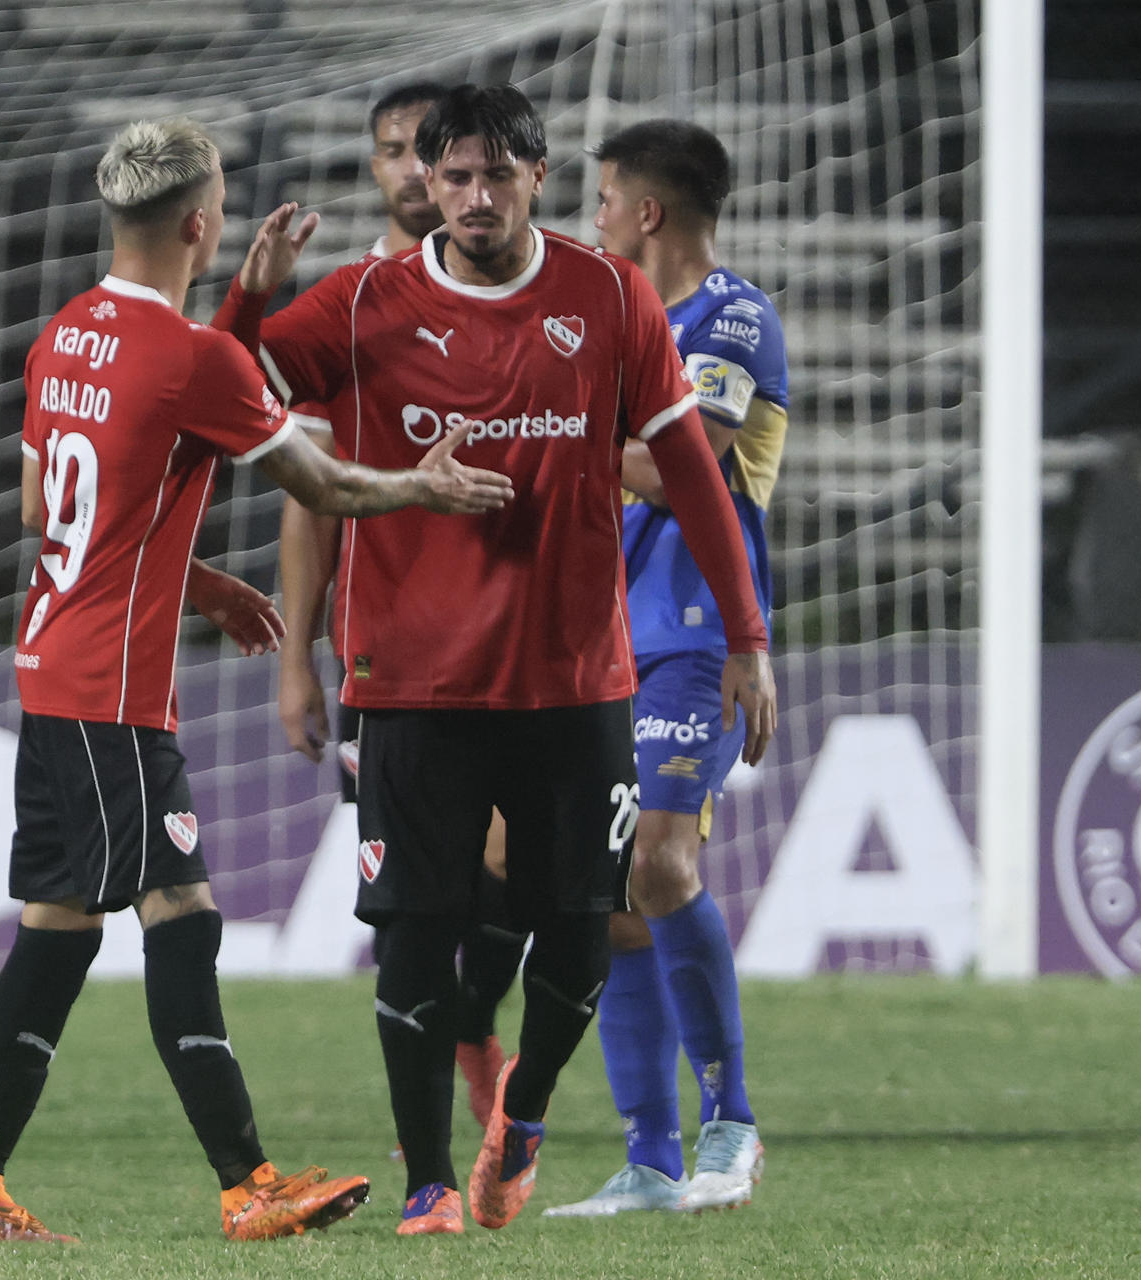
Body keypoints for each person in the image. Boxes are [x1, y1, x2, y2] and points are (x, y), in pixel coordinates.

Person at [0, 117, 513, 1246]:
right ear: (203, 222)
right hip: (111, 691)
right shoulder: (193, 358)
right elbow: (327, 481)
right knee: (180, 913)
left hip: (52, 667)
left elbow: (50, 513)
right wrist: (425, 486)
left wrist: (192, 579)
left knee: (56, 932)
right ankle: (249, 1181)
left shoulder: (66, 336)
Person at [215, 85, 776, 1236]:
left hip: (574, 680)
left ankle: (522, 1109)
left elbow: (695, 477)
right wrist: (246, 297)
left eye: (496, 175)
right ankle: (428, 1184)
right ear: (427, 182)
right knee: (415, 936)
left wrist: (749, 637)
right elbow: (225, 395)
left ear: (537, 174)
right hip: (411, 680)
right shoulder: (364, 301)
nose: (474, 197)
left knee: (583, 931)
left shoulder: (608, 293)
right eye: (452, 176)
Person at [545, 120, 788, 1219]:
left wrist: (551, 433)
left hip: (696, 631)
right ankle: (649, 1157)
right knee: (614, 897)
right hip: (605, 638)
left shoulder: (732, 317)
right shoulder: (613, 326)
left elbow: (676, 465)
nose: (591, 219)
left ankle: (731, 1124)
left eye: (602, 200)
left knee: (664, 863)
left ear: (648, 211)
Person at [273, 80, 524, 1136]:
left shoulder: (532, 289)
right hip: (393, 649)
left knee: (515, 864)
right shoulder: (351, 308)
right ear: (386, 170)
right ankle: (440, 1080)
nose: (416, 173)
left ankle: (472, 1020)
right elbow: (309, 486)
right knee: (417, 893)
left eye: (437, 155)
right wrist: (296, 658)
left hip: (520, 638)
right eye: (394, 153)